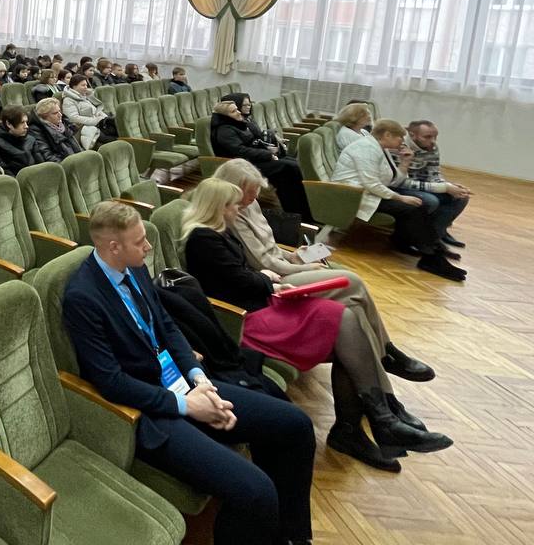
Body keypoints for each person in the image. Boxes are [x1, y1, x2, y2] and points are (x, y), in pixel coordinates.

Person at [62, 200, 316, 545]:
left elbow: (167, 328)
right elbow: (111, 382)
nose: (148, 246)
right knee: (255, 492)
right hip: (150, 412)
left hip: (185, 384)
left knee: (296, 426)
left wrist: (200, 379)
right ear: (113, 247)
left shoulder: (134, 269)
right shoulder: (83, 297)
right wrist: (187, 405)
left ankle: (292, 536)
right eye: (139, 241)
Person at [180, 179, 451, 469]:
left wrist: (267, 280)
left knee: (351, 321)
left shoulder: (218, 232)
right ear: (218, 207)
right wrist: (268, 280)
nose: (238, 209)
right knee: (347, 322)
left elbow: (239, 273)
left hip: (264, 304)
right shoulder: (203, 238)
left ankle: (370, 422)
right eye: (233, 205)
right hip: (247, 318)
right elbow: (235, 281)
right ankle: (374, 421)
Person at [213, 160, 434, 384]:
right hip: (275, 278)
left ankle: (383, 364)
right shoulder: (232, 213)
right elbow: (263, 261)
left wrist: (293, 255)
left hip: (282, 265)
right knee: (351, 281)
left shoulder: (250, 204)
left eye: (255, 191)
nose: (253, 197)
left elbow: (269, 247)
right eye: (249, 192)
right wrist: (305, 266)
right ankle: (387, 354)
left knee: (354, 305)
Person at [332, 119, 465, 281]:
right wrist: (400, 197)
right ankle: (431, 256)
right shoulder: (365, 148)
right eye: (400, 137)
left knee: (415, 206)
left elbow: (392, 181)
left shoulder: (380, 148)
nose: (402, 141)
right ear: (387, 135)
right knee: (414, 208)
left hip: (369, 193)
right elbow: (372, 183)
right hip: (353, 196)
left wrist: (405, 163)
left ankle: (429, 251)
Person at [210, 96, 312, 221]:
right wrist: (267, 154)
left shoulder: (238, 124)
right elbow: (241, 151)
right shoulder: (224, 130)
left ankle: (303, 210)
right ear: (224, 116)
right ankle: (296, 214)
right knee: (287, 169)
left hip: (253, 160)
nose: (238, 112)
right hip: (243, 166)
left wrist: (268, 148)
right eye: (233, 111)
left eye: (237, 109)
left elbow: (253, 142)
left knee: (293, 163)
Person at [403, 120, 470, 249]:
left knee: (461, 197)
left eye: (435, 137)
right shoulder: (400, 147)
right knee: (431, 200)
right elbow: (400, 182)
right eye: (427, 137)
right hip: (403, 187)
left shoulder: (432, 147)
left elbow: (434, 174)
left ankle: (436, 235)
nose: (433, 141)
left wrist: (449, 186)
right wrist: (444, 188)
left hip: (421, 185)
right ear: (412, 135)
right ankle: (422, 239)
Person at [61, 74, 111, 150]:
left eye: (86, 85)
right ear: (74, 86)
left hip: (97, 124)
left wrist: (105, 119)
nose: (86, 87)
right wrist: (96, 121)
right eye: (83, 85)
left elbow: (96, 110)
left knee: (115, 125)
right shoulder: (68, 100)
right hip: (86, 128)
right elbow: (73, 118)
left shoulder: (83, 96)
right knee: (114, 139)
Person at [29, 97, 83, 163]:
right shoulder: (36, 130)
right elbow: (47, 156)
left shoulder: (63, 124)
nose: (60, 115)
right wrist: (69, 165)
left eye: (59, 111)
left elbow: (76, 148)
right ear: (44, 116)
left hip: (76, 161)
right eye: (55, 113)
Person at [0, 105, 41, 176]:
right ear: (9, 124)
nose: (26, 126)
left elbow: (41, 164)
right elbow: (6, 174)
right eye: (22, 123)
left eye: (26, 122)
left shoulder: (30, 139)